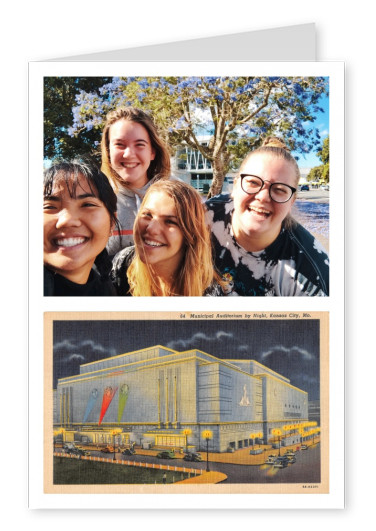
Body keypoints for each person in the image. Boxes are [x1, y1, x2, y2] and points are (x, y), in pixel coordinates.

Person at [206, 137, 329, 296]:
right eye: (253, 182)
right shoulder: (202, 217)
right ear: (235, 186)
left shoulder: (311, 274)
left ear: (292, 201)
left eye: (279, 189)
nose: (263, 197)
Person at [111, 180, 224, 296]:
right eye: (147, 215)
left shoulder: (209, 294)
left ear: (190, 234)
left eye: (170, 222)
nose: (151, 229)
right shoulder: (122, 264)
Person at [101, 106, 171, 256]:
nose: (129, 154)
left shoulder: (176, 197)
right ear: (108, 151)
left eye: (139, 145)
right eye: (119, 144)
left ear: (152, 152)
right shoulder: (95, 200)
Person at [43, 158, 119, 296]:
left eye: (87, 205)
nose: (67, 220)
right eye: (49, 207)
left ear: (112, 223)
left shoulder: (107, 292)